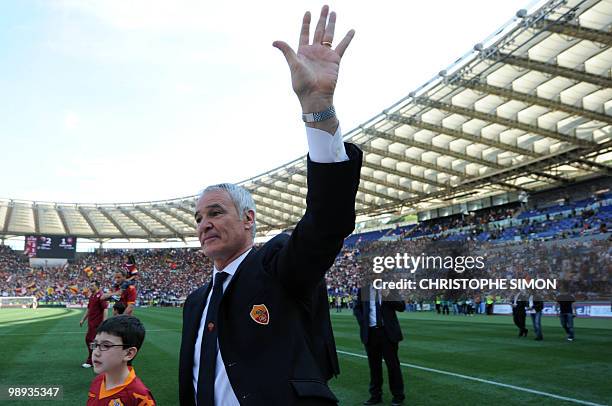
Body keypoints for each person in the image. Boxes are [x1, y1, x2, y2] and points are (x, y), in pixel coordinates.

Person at [178, 6, 360, 405]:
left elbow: (327, 221)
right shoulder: (195, 304)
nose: (204, 224)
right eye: (198, 218)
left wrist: (317, 107)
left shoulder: (278, 267)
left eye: (215, 212)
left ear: (248, 219)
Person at [354, 285, 406, 405]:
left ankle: (398, 395)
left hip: (388, 333)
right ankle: (375, 395)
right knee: (374, 367)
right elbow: (357, 308)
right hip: (370, 333)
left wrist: (387, 295)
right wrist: (362, 321)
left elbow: (401, 306)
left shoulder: (390, 287)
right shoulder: (365, 290)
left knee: (393, 366)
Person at [87, 315, 155, 405]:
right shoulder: (98, 381)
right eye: (95, 344)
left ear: (129, 353)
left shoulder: (139, 396)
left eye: (106, 345)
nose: (96, 352)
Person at [80, 280, 109, 368]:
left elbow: (105, 309)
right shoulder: (92, 296)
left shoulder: (101, 296)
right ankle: (99, 359)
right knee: (93, 341)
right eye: (90, 285)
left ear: (97, 286)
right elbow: (89, 309)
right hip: (91, 324)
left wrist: (104, 323)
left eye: (92, 285)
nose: (90, 287)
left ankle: (91, 361)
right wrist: (83, 319)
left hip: (97, 324)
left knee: (91, 341)